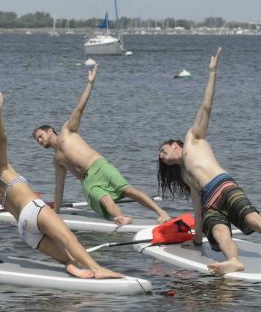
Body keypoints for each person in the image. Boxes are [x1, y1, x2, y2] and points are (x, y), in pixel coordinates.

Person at [157, 47, 261, 275]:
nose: (163, 157)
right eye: (162, 159)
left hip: (222, 185)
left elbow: (206, 106)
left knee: (254, 219)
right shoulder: (186, 176)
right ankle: (234, 260)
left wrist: (213, 72)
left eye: (163, 152)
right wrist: (197, 241)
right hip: (209, 200)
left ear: (175, 145)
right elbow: (197, 211)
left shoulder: (193, 138)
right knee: (217, 230)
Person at [0, 88, 122, 279]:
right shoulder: (1, 168)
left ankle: (72, 267)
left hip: (25, 231)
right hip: (33, 211)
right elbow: (2, 138)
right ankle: (98, 269)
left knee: (67, 257)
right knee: (70, 240)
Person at [33, 64, 170, 225]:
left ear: (50, 131)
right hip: (87, 181)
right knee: (104, 199)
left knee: (128, 190)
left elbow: (79, 108)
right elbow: (59, 187)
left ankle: (161, 213)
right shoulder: (57, 160)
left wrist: (90, 83)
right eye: (37, 141)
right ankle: (121, 218)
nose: (40, 141)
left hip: (99, 166)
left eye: (40, 136)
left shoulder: (68, 130)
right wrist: (55, 213)